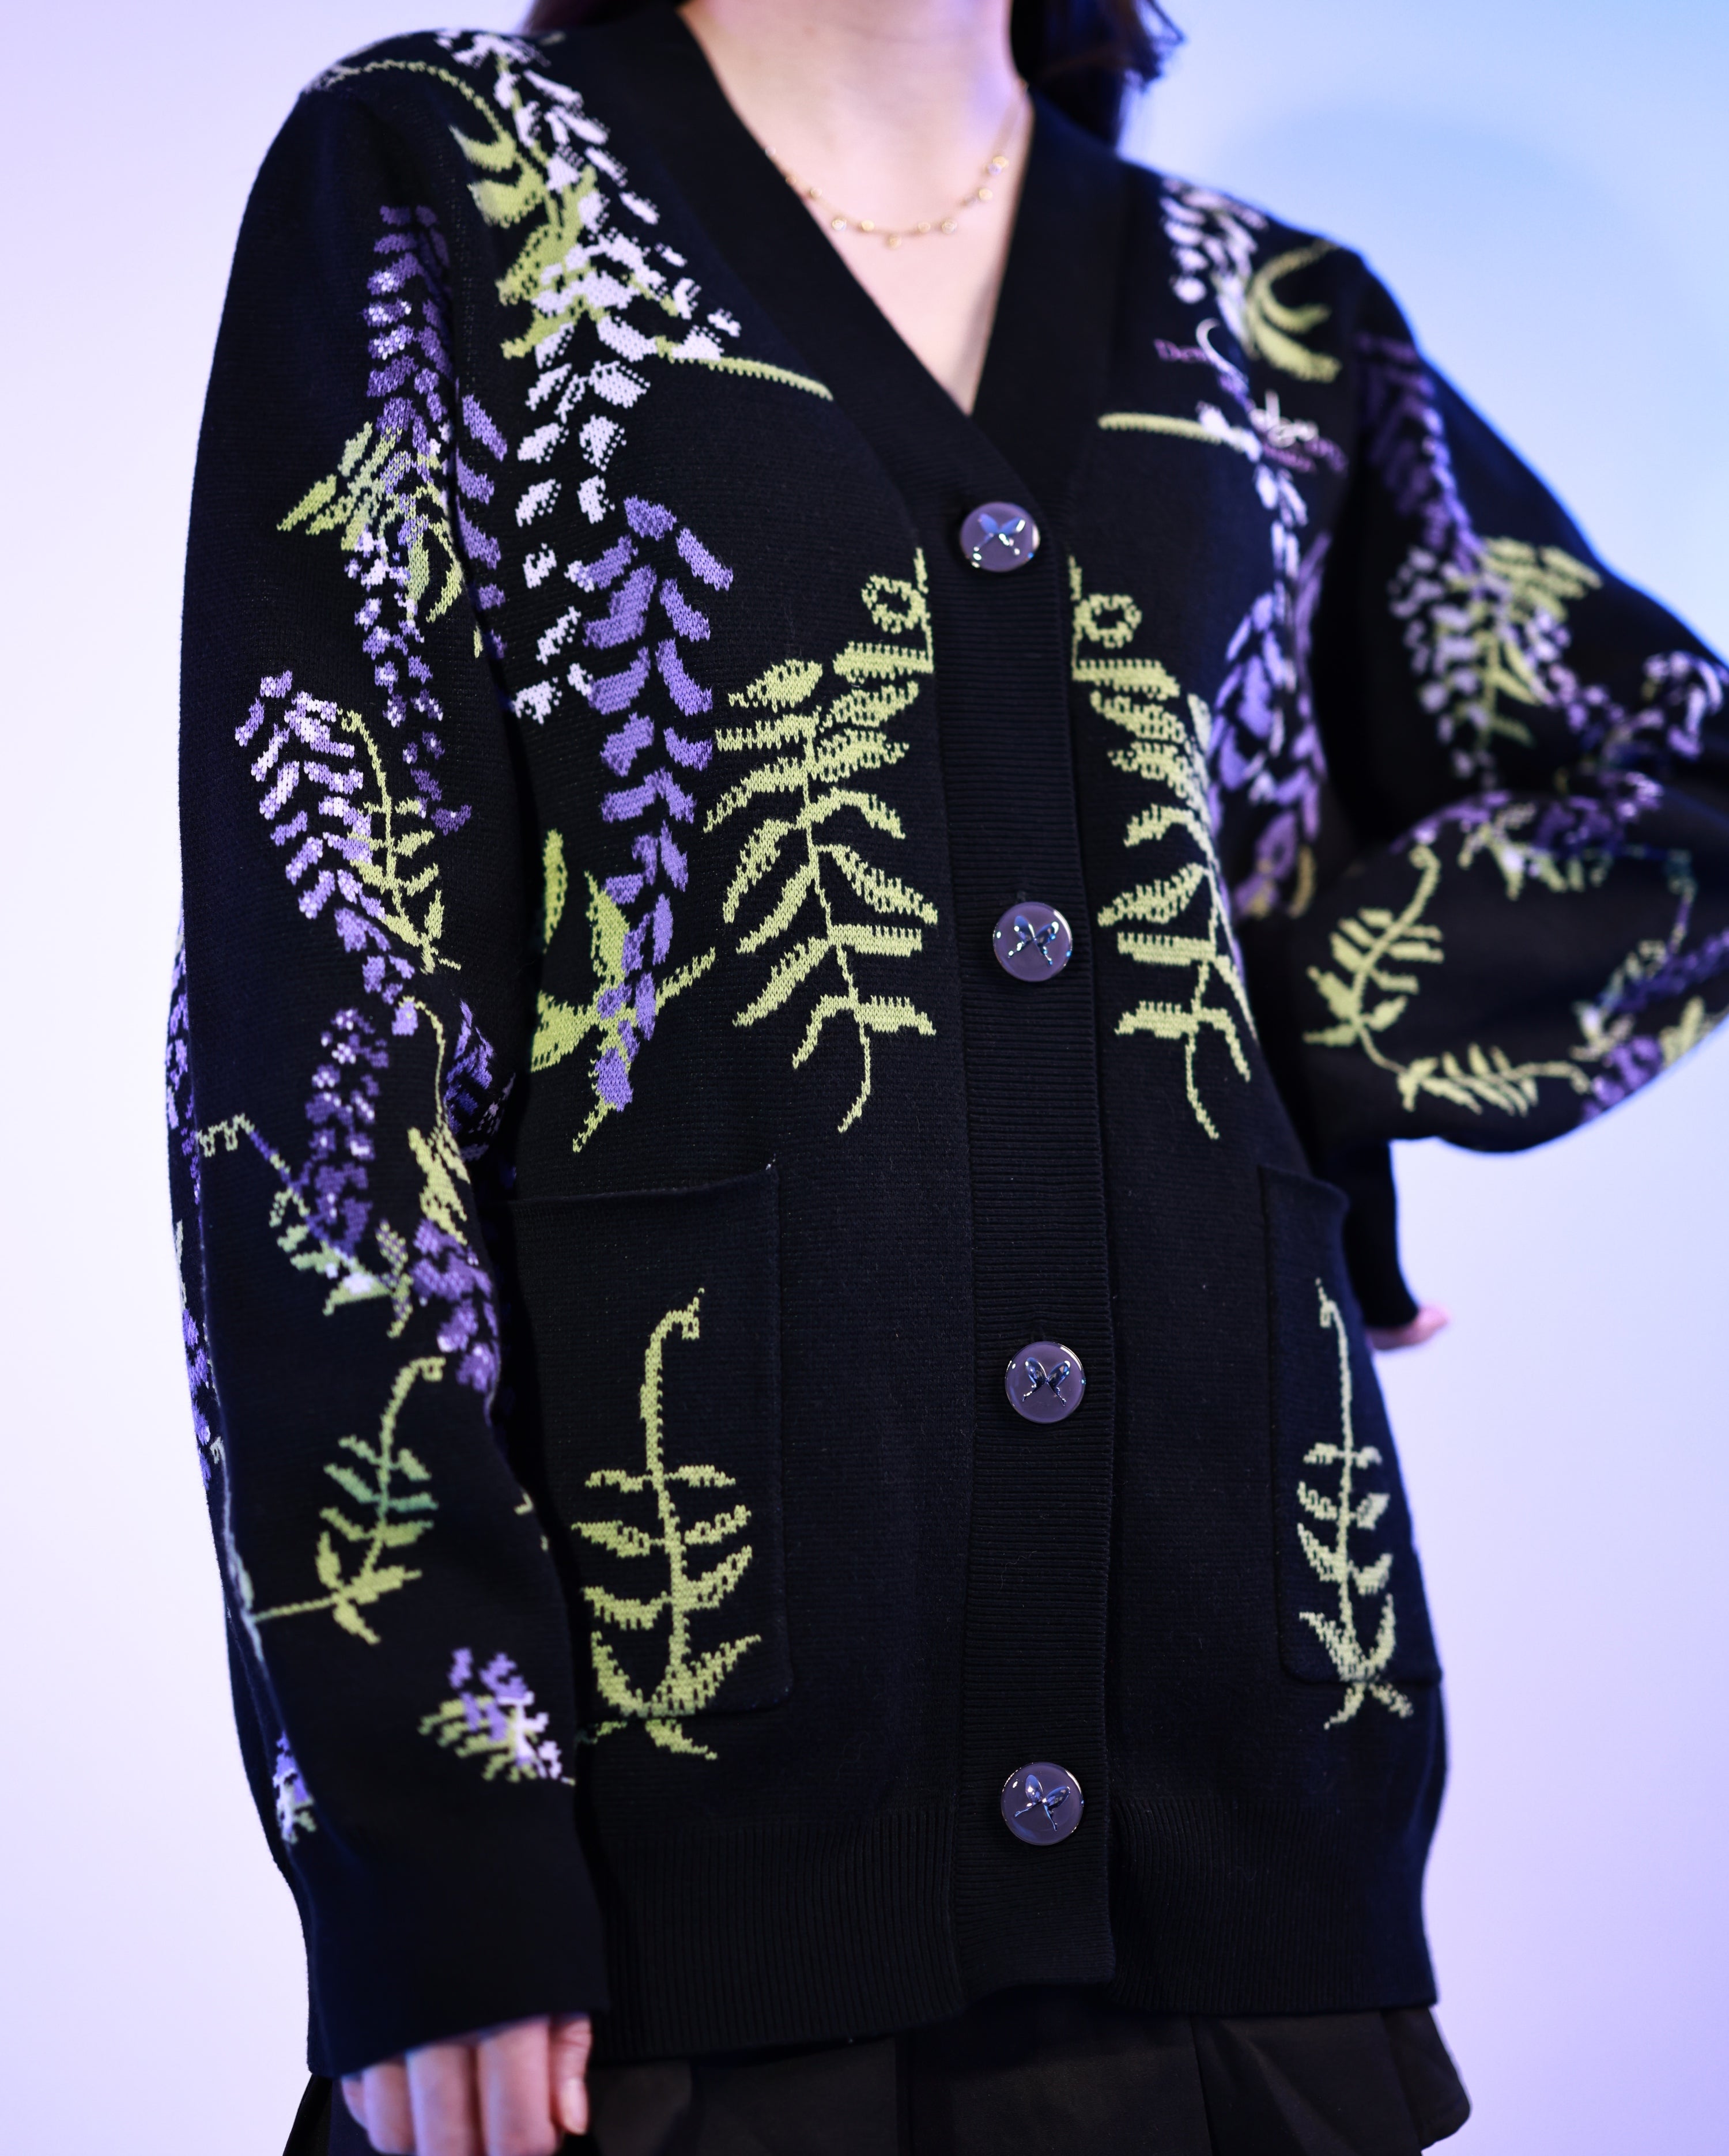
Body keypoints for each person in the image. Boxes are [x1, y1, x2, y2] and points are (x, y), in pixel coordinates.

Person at [167, 0, 1729, 2150]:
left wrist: (1292, 1044)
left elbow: (1677, 790)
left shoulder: (1272, 320)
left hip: (1235, 1857)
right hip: (665, 1894)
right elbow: (321, 1033)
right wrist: (431, 1842)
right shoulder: (451, 177)